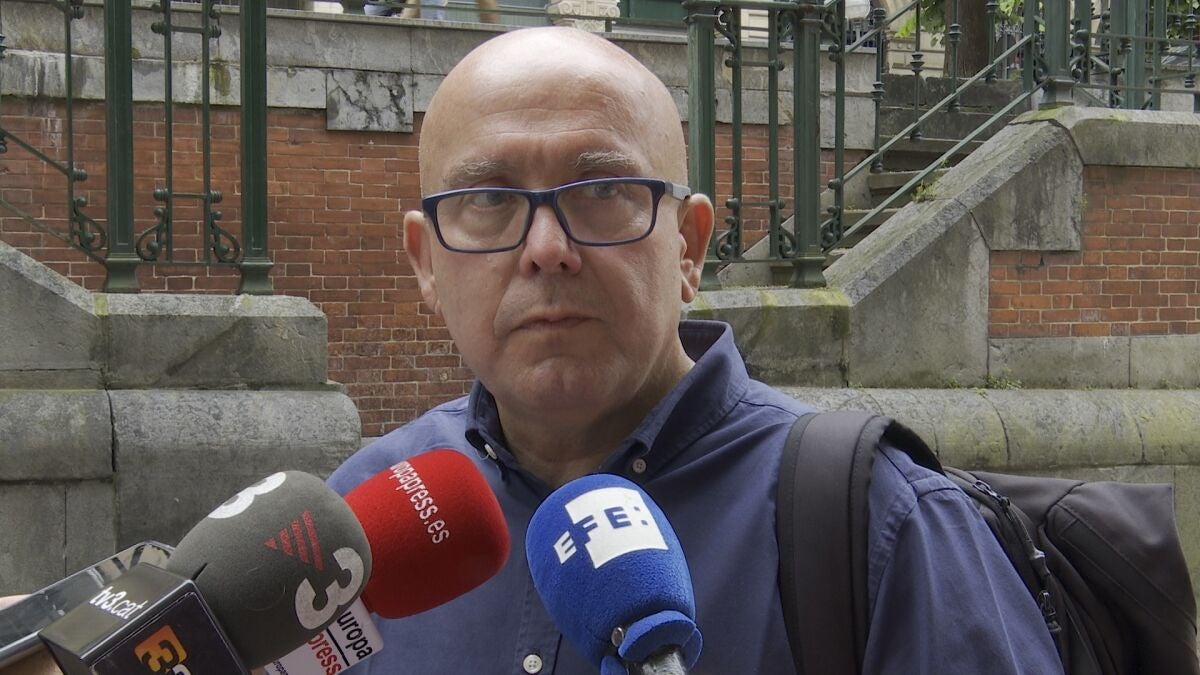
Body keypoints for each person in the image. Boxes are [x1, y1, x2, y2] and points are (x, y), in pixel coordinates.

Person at [327, 26, 1063, 675]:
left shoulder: (883, 527)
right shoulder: (353, 528)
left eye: (601, 189)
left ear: (688, 246)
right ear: (427, 262)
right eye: (488, 199)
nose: (546, 249)